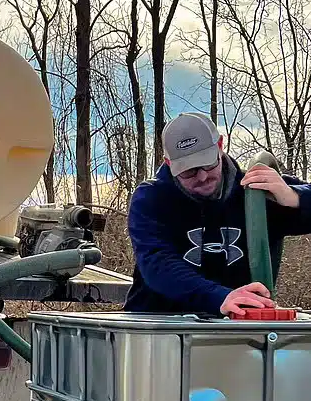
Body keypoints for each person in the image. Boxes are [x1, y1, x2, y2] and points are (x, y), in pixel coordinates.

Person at [122, 112, 311, 316]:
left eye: (208, 164)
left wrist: (296, 198)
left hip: (240, 332)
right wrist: (219, 297)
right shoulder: (151, 199)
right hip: (160, 328)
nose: (202, 176)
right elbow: (157, 263)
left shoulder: (257, 192)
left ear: (220, 146)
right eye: (189, 171)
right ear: (169, 163)